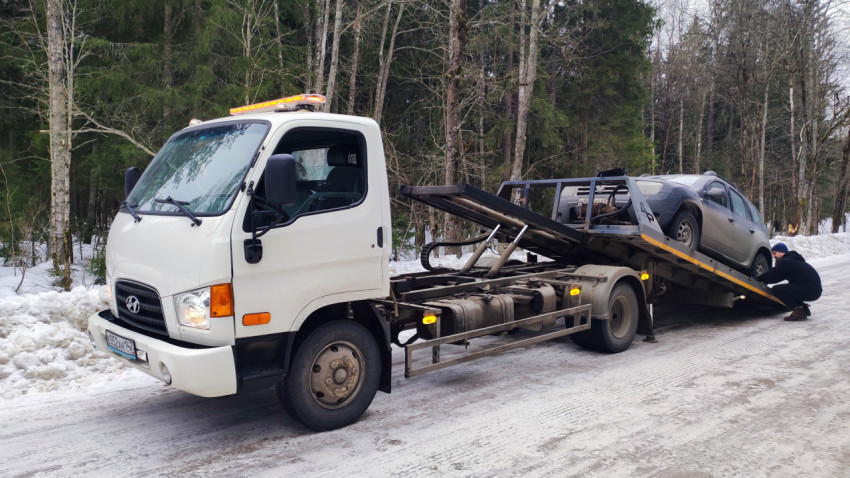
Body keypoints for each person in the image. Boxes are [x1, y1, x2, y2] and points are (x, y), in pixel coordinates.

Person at [756, 243, 822, 321]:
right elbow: (778, 277)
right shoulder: (791, 260)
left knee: (777, 290)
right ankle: (803, 310)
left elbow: (773, 273)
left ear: (782, 252)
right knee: (787, 290)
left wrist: (757, 279)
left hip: (810, 290)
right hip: (814, 290)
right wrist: (765, 280)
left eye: (775, 253)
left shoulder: (786, 261)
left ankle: (799, 313)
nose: (774, 256)